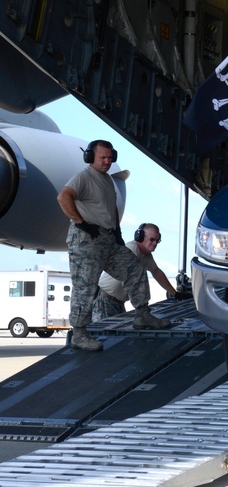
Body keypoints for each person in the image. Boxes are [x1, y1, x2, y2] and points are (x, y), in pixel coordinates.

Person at [57, 140, 169, 352]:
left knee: (135, 269)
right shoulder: (83, 177)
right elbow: (63, 197)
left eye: (110, 158)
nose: (107, 161)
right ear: (90, 157)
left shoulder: (107, 179)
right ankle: (79, 334)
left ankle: (142, 315)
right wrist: (81, 223)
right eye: (102, 158)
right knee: (85, 286)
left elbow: (111, 207)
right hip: (87, 240)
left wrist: (116, 231)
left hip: (107, 239)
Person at [92, 223, 180, 323]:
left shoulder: (146, 255)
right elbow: (130, 279)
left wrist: (175, 294)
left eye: (157, 240)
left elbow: (156, 272)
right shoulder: (131, 250)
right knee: (103, 336)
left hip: (116, 303)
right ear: (140, 237)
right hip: (105, 301)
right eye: (151, 239)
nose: (155, 243)